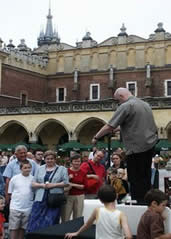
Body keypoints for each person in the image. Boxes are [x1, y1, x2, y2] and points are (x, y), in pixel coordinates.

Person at [92, 88, 158, 203]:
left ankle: (138, 205)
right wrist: (120, 129)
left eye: (118, 101)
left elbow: (109, 126)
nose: (119, 103)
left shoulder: (126, 106)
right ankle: (147, 203)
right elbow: (134, 124)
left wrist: (96, 137)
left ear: (121, 96)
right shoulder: (145, 104)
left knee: (135, 180)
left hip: (135, 148)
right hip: (149, 146)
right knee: (146, 178)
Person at [65, 185, 132, 239]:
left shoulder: (97, 211)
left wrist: (76, 233)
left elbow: (87, 225)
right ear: (116, 196)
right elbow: (129, 236)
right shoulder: (121, 214)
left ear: (100, 200)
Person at [26, 150, 69, 232]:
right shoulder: (40, 169)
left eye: (51, 158)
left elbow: (66, 182)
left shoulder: (62, 169)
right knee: (35, 220)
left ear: (55, 159)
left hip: (54, 199)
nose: (49, 160)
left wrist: (54, 185)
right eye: (47, 159)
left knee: (51, 221)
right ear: (44, 159)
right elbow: (33, 183)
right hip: (40, 198)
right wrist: (42, 185)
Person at [8, 160, 34, 239]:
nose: (27, 169)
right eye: (25, 168)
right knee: (14, 228)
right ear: (21, 169)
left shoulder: (33, 179)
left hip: (28, 207)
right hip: (15, 207)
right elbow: (10, 192)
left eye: (29, 168)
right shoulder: (14, 179)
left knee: (23, 228)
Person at [62, 154, 87, 222]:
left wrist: (72, 184)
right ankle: (63, 231)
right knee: (65, 216)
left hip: (79, 196)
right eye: (75, 161)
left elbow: (84, 186)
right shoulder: (65, 171)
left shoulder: (83, 172)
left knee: (78, 217)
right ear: (71, 162)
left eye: (78, 161)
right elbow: (61, 183)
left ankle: (76, 231)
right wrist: (68, 178)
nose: (77, 163)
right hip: (67, 196)